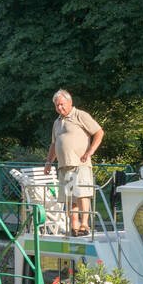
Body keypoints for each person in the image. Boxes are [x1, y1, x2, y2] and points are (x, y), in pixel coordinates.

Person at [45, 89, 104, 237]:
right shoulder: (57, 122)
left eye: (62, 104)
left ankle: (85, 225)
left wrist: (90, 152)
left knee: (82, 194)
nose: (59, 108)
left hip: (80, 164)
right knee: (70, 197)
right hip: (64, 165)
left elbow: (99, 132)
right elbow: (54, 144)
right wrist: (48, 162)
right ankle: (74, 226)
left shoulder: (80, 115)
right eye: (57, 105)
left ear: (70, 103)